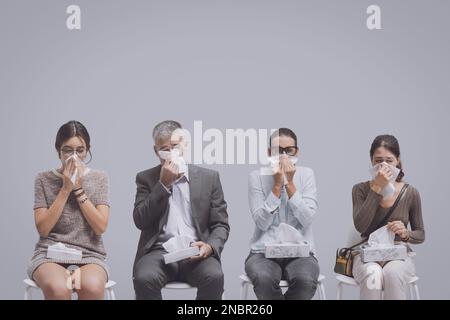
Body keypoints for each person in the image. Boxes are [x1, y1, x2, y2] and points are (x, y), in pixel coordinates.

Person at [132, 120, 229, 300]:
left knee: (214, 277)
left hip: (196, 251)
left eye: (175, 147)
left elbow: (221, 224)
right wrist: (163, 184)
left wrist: (209, 246)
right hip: (158, 252)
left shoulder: (209, 178)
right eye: (165, 149)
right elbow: (140, 220)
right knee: (144, 278)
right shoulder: (146, 178)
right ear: (156, 151)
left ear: (185, 146)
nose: (171, 154)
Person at [28, 120, 111, 300]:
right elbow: (43, 229)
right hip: (49, 254)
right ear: (59, 151)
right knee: (59, 288)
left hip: (89, 255)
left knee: (92, 287)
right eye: (68, 150)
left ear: (87, 150)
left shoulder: (100, 178)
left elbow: (100, 227)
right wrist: (66, 188)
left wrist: (78, 188)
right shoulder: (43, 179)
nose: (74, 156)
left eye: (80, 150)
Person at [245, 128, 320, 300]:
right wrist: (277, 185)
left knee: (306, 280)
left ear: (297, 151)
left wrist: (290, 183)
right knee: (264, 279)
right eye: (278, 151)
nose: (284, 156)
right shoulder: (256, 176)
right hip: (262, 252)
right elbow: (261, 223)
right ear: (268, 152)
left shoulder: (307, 174)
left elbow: (307, 218)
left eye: (289, 150)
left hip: (301, 252)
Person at [352, 134, 425, 300]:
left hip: (397, 253)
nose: (383, 165)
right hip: (366, 254)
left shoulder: (410, 192)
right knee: (373, 274)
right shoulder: (360, 190)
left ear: (398, 160)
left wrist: (406, 234)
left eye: (389, 160)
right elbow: (361, 226)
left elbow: (421, 233)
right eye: (378, 161)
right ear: (371, 161)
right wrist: (377, 188)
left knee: (392, 274)